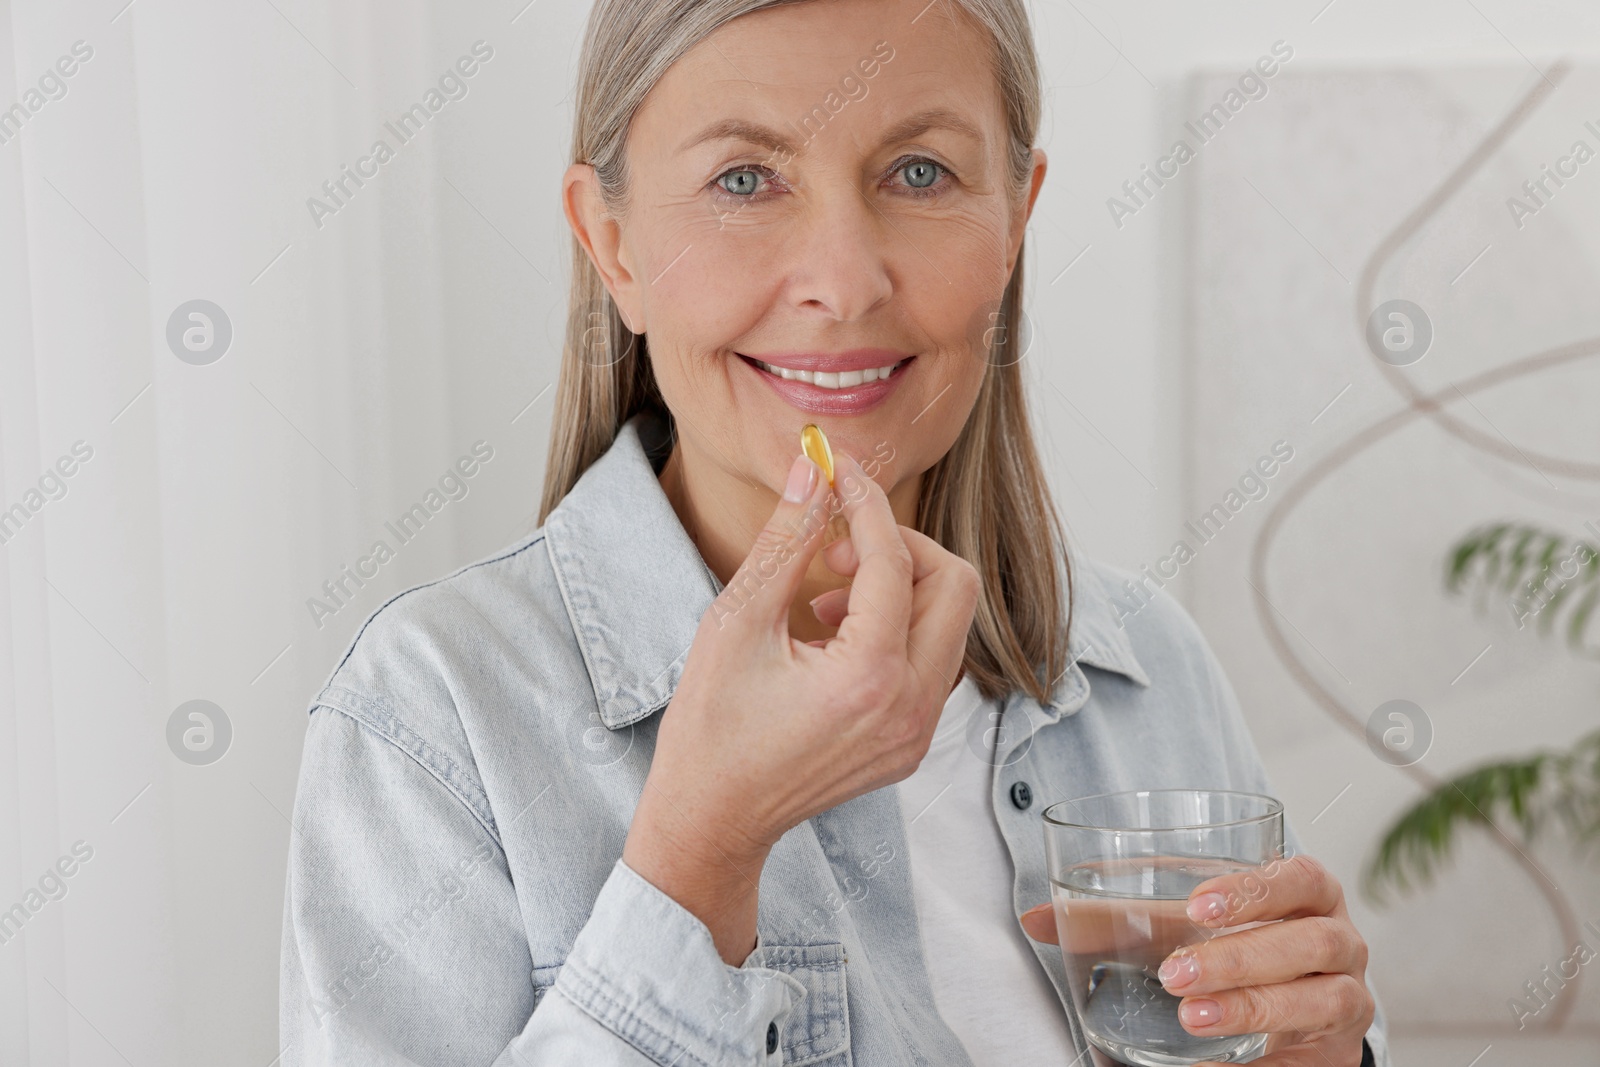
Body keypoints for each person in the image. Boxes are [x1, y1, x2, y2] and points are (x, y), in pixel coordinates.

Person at [279, 0, 1388, 1063]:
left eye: (920, 173)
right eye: (743, 179)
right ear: (610, 244)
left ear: (1014, 221)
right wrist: (701, 852)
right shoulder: (433, 717)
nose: (845, 282)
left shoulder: (1148, 670)